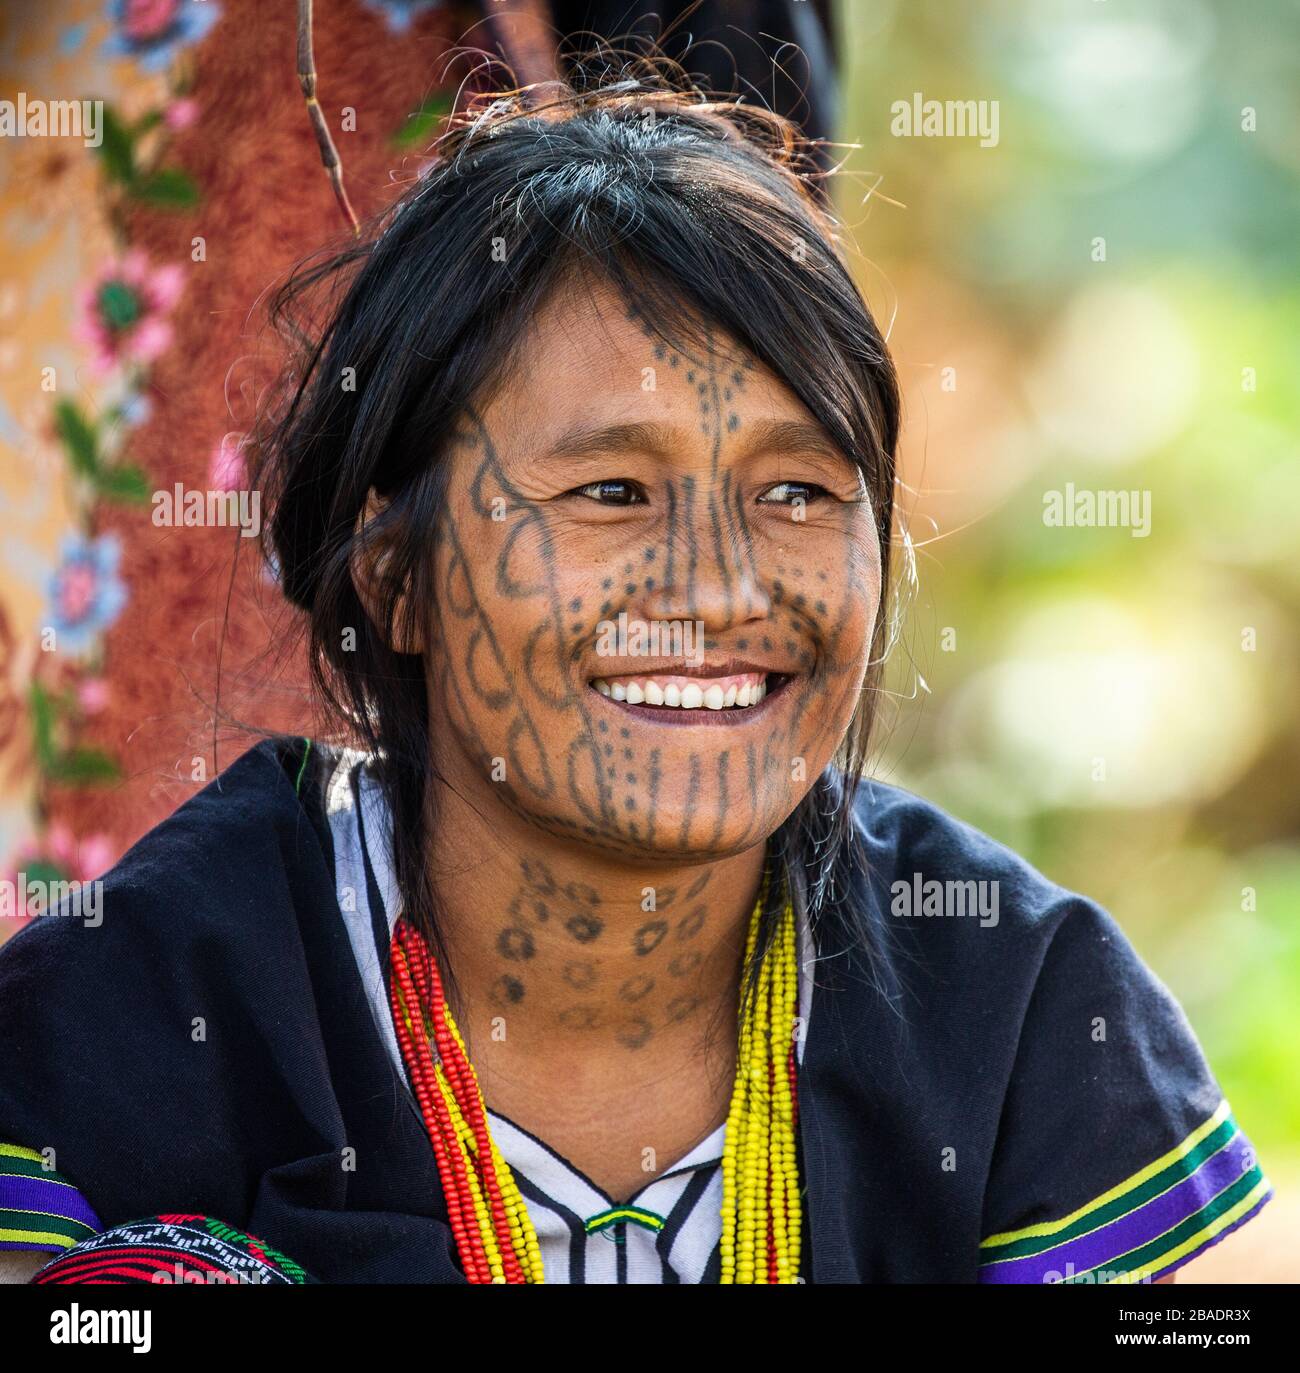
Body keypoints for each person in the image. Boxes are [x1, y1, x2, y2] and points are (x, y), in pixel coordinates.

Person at [0, 68, 1271, 1285]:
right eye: (609, 491)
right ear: (393, 576)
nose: (722, 589)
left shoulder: (1015, 1001)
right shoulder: (145, 1002)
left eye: (795, 492)